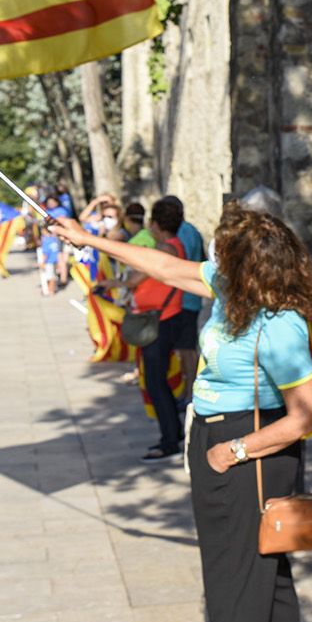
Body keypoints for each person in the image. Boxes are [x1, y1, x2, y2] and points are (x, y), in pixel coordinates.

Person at [52, 203, 312, 622]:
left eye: (225, 255)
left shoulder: (280, 324)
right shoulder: (232, 289)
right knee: (266, 580)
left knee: (232, 586)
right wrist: (87, 239)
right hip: (217, 442)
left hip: (248, 453)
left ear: (251, 266)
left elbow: (306, 417)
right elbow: (164, 266)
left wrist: (233, 451)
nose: (215, 260)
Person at [129, 197, 190, 462]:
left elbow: (135, 278)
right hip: (165, 318)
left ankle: (169, 441)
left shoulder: (165, 249)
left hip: (161, 321)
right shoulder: (173, 245)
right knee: (156, 380)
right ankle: (172, 433)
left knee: (156, 381)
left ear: (156, 224)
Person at [160, 194, 207, 396]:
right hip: (188, 296)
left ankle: (190, 391)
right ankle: (188, 389)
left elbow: (181, 264)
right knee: (186, 347)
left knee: (188, 349)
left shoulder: (183, 233)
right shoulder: (191, 231)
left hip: (185, 297)